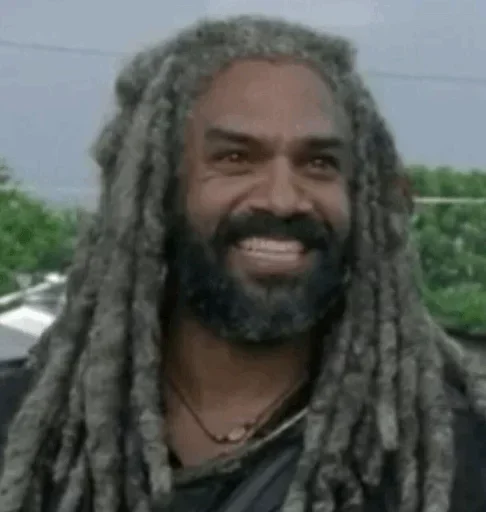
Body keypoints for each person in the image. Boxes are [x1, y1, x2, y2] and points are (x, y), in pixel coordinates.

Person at [0, 15, 485, 512]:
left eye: (318, 163)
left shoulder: (452, 462)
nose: (282, 199)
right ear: (158, 190)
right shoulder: (27, 434)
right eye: (235, 158)